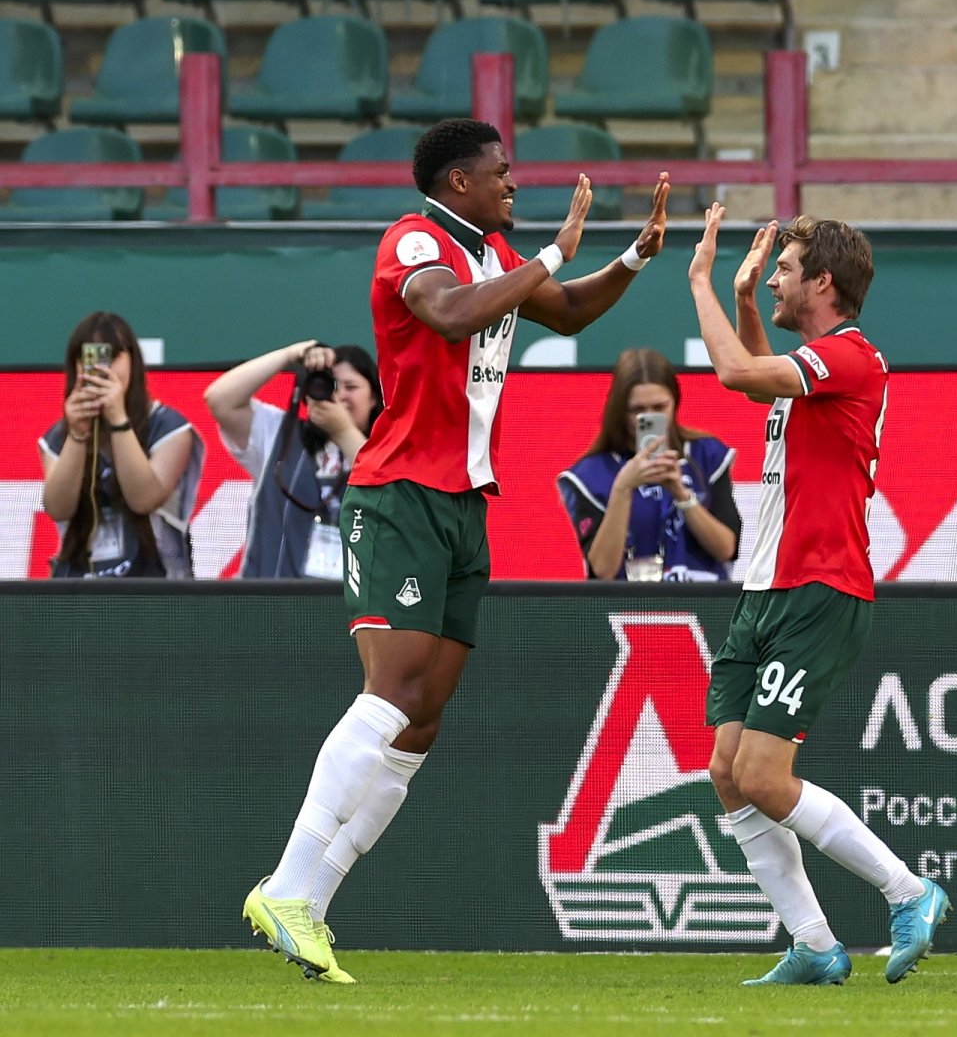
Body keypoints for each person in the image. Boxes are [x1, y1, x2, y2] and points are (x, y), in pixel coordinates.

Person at [240, 118, 670, 983]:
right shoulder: (415, 241)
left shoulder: (494, 253)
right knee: (391, 691)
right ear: (458, 181)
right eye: (500, 171)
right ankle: (284, 887)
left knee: (423, 717)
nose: (513, 182)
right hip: (400, 493)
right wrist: (552, 253)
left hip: (465, 503)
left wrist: (631, 258)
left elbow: (566, 310)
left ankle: (311, 903)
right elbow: (447, 314)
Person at [687, 205, 948, 987]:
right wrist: (741, 302)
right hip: (765, 588)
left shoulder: (852, 358)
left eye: (784, 269)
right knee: (729, 770)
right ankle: (813, 944)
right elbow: (760, 379)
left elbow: (736, 373)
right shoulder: (816, 368)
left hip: (819, 586)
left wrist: (700, 281)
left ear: (823, 281)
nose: (772, 278)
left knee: (766, 777)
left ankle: (909, 891)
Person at [38, 311, 203, 579]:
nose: (102, 369)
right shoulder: (59, 436)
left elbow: (144, 499)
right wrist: (78, 435)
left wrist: (118, 420)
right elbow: (57, 508)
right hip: (78, 586)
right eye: (89, 358)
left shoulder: (167, 426)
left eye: (111, 357)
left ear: (132, 361)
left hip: (155, 585)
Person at [557, 348, 740, 581]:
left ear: (675, 401)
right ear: (619, 410)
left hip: (702, 595)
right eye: (637, 410)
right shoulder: (590, 475)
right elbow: (603, 570)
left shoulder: (706, 454)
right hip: (631, 600)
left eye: (659, 407)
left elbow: (726, 549)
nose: (649, 416)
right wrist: (623, 488)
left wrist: (682, 494)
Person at [204, 341, 383, 579]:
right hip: (268, 594)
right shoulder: (281, 434)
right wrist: (291, 354)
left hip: (349, 599)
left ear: (373, 397)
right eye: (330, 386)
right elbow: (219, 399)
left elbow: (388, 495)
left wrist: (343, 431)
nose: (339, 396)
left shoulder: (388, 451)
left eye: (351, 387)